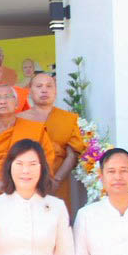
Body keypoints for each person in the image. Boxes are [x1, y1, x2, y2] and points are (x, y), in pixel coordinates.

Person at [0, 86, 55, 216]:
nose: (3, 101)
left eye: (8, 97)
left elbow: (46, 163)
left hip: (28, 191)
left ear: (17, 104)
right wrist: (4, 187)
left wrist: (24, 188)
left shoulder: (33, 129)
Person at [21, 72, 84, 213]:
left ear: (55, 91)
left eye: (49, 86)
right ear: (30, 91)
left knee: (57, 218)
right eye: (39, 86)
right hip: (25, 179)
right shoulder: (20, 119)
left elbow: (72, 153)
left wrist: (56, 181)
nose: (44, 90)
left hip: (59, 177)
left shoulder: (68, 118)